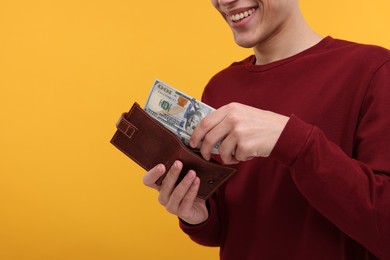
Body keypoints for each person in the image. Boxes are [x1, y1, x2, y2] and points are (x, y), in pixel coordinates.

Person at [142, 0, 390, 259]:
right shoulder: (221, 87)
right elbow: (233, 228)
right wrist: (198, 215)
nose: (224, 1)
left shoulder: (374, 70)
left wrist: (290, 139)